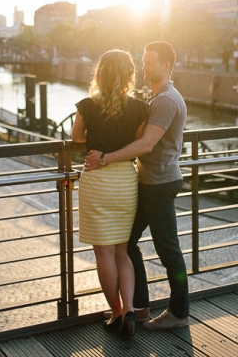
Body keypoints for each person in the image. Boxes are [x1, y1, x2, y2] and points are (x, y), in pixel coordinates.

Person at [85, 41, 189, 330]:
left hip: (159, 183)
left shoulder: (166, 100)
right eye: (143, 62)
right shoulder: (156, 97)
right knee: (128, 242)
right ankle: (138, 307)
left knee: (168, 250)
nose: (144, 67)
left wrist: (105, 158)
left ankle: (179, 312)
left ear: (166, 65)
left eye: (150, 62)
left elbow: (145, 144)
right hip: (148, 181)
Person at [72, 50, 148, 339]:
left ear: (99, 74)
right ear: (129, 74)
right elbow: (138, 142)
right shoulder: (140, 108)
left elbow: (77, 137)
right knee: (122, 250)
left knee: (103, 252)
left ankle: (115, 312)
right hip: (126, 179)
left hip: (96, 178)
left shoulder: (87, 106)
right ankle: (130, 309)